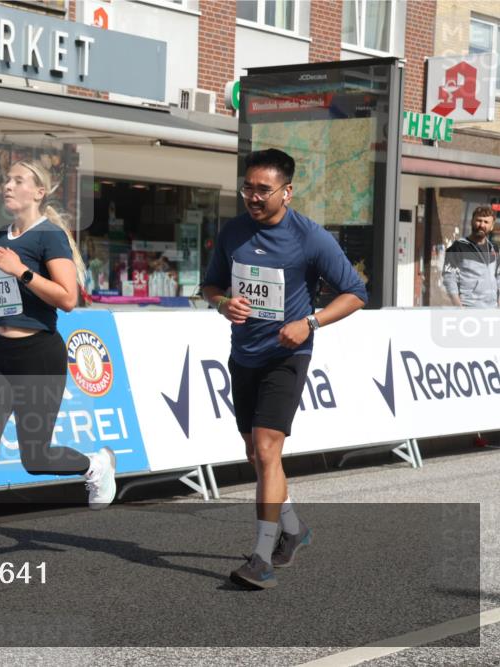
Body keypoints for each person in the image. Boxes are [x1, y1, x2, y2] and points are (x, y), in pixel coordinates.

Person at [0, 160, 117, 572]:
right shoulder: (1, 237)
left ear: (39, 192)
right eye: (6, 180)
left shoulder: (49, 236)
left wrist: (22, 271)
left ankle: (95, 464)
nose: (7, 186)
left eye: (19, 180)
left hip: (39, 356)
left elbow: (68, 299)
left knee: (36, 458)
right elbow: (8, 301)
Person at [201, 149, 367, 590]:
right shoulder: (233, 232)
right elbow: (210, 285)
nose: (252, 197)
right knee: (255, 455)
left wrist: (309, 322)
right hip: (244, 355)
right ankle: (294, 530)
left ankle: (261, 557)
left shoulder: (310, 238)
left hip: (287, 356)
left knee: (268, 450)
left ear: (286, 192)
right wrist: (222, 303)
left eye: (262, 189)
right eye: (247, 188)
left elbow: (355, 292)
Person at [443, 207, 498, 308]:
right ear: (472, 222)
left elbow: (497, 275)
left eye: (486, 222)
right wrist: (458, 306)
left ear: (491, 226)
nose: (482, 225)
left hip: (492, 308)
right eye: (479, 220)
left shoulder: (493, 248)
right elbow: (449, 278)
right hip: (469, 308)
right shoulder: (458, 246)